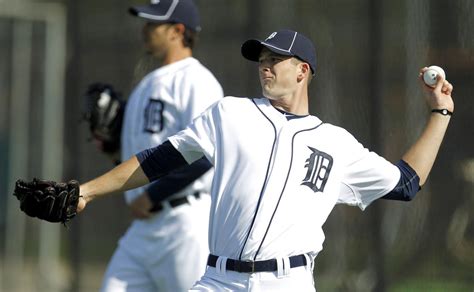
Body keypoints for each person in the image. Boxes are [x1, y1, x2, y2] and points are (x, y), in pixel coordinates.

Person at [76, 29, 454, 291]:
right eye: (261, 59)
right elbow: (158, 160)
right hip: (218, 281)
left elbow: (407, 183)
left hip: (288, 283)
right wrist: (87, 191)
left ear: (303, 71)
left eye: (276, 59)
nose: (264, 66)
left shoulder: (336, 143)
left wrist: (439, 114)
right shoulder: (229, 114)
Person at [97, 1, 223, 291]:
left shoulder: (197, 81)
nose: (145, 29)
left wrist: (152, 194)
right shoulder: (147, 84)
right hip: (144, 227)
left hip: (184, 222)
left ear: (177, 31)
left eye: (153, 23)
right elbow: (136, 155)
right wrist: (111, 148)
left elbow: (206, 153)